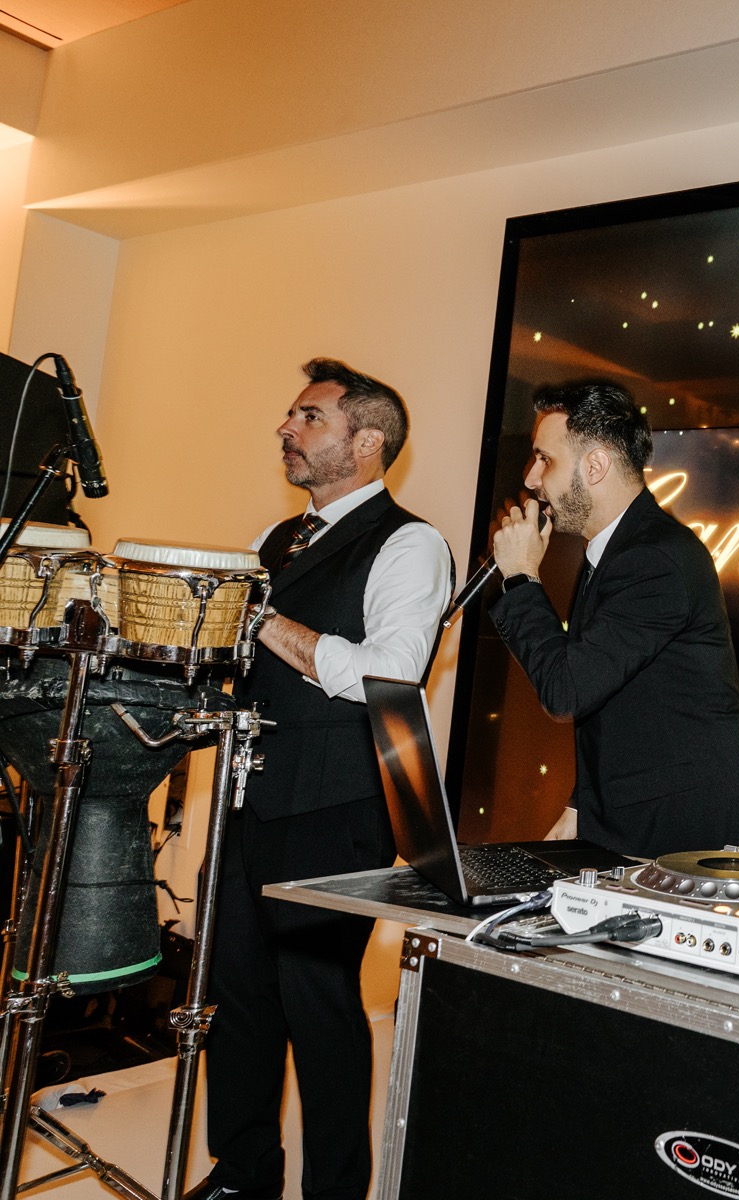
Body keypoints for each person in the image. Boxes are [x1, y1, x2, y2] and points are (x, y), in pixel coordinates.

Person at [188, 359, 452, 1200]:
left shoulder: (410, 543)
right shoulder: (277, 538)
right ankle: (243, 1172)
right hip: (249, 801)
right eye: (291, 415)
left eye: (309, 417)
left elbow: (392, 673)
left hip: (337, 809)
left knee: (318, 1002)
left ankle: (335, 1191)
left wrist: (264, 620)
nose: (286, 427)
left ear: (366, 442)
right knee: (236, 995)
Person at [487, 378, 739, 856]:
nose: (531, 478)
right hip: (641, 823)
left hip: (691, 840)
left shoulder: (654, 559)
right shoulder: (616, 551)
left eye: (545, 459)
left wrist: (520, 579)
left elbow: (566, 690)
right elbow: (618, 701)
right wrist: (581, 804)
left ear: (595, 466)